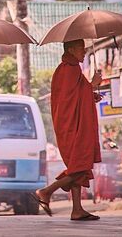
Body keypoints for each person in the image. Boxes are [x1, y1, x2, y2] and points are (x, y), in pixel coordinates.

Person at [34, 39, 103, 221]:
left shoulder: (71, 68)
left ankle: (77, 209)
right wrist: (93, 84)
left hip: (73, 124)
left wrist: (90, 94)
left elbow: (76, 96)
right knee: (80, 166)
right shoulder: (68, 69)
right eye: (81, 48)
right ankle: (46, 191)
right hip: (72, 126)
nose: (85, 51)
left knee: (77, 166)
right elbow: (67, 102)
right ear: (71, 50)